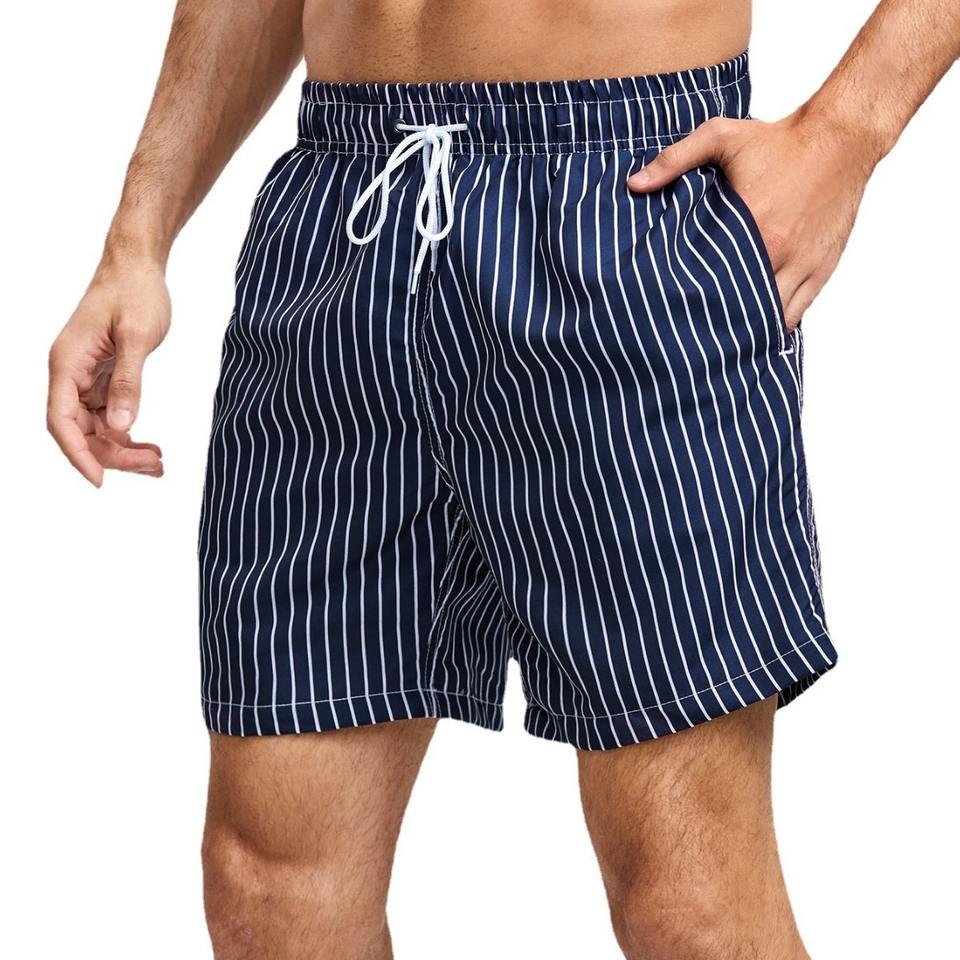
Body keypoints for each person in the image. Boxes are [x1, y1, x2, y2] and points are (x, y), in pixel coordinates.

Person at [46, 0, 958, 956]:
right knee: (266, 892)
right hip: (341, 218)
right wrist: (137, 237)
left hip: (624, 207)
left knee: (688, 906)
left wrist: (846, 132)